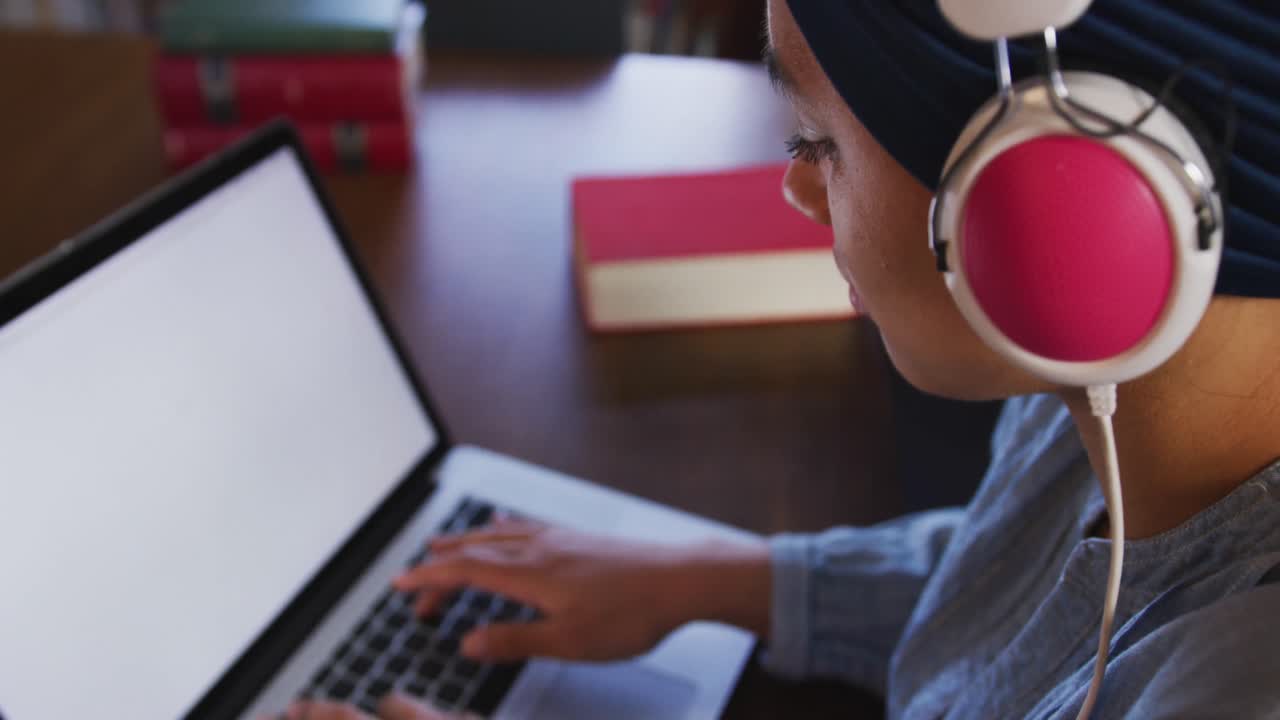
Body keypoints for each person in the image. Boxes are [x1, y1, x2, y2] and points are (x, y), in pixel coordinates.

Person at [268, 1, 1280, 718]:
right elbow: (1004, 607)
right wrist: (715, 581)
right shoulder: (1098, 394)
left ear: (1068, 203)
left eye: (816, 141)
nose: (793, 189)